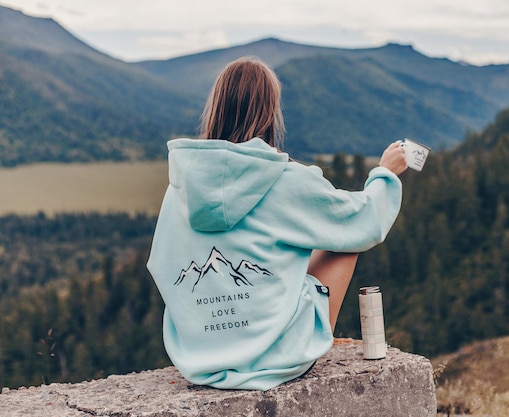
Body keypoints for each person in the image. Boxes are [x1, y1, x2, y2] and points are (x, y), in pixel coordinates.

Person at [147, 56, 407, 391]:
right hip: (276, 358)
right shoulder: (285, 179)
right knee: (343, 242)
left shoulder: (179, 188)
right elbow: (363, 221)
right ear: (270, 113)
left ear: (216, 109)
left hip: (198, 358)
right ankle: (294, 336)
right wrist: (385, 173)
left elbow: (163, 264)